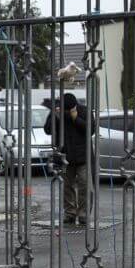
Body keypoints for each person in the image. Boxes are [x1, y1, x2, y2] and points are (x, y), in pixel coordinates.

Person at [43, 92, 89, 225]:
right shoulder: (57, 111)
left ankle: (83, 214)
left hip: (82, 156)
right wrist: (55, 116)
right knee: (67, 186)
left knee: (85, 184)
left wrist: (75, 118)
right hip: (64, 155)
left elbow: (90, 130)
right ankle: (70, 213)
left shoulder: (83, 111)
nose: (66, 112)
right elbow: (47, 129)